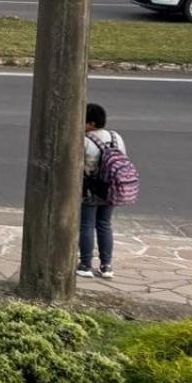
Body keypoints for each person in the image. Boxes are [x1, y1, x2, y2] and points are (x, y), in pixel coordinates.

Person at [79, 102, 126, 279]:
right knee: (105, 225)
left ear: (91, 123)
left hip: (91, 189)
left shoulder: (85, 140)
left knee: (87, 225)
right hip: (112, 188)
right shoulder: (116, 137)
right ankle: (106, 266)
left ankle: (85, 265)